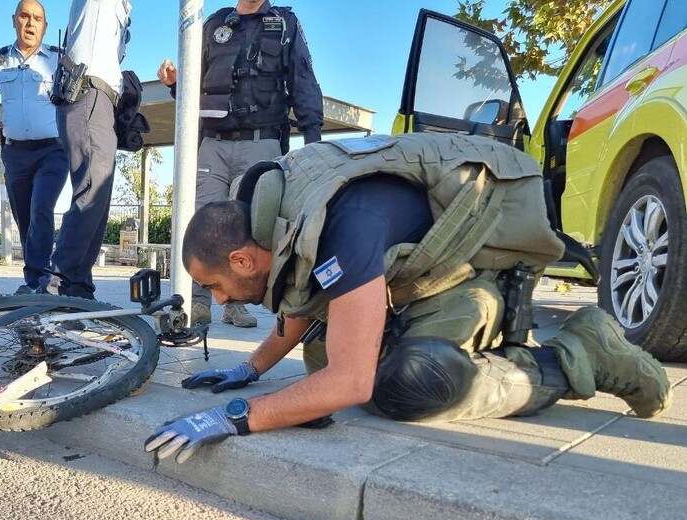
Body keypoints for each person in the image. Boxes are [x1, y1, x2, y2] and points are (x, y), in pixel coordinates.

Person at [144, 133, 672, 464]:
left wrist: (236, 415)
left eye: (212, 285)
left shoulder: (341, 224)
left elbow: (350, 383)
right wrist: (252, 369)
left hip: (475, 281)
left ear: (241, 259)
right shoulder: (280, 210)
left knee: (410, 383)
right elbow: (306, 296)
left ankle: (579, 353)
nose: (213, 296)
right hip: (419, 280)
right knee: (322, 357)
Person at [157, 0, 323, 328]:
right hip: (212, 144)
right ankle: (196, 298)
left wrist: (313, 142)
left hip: (261, 141)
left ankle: (236, 302)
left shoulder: (285, 22)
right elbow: (195, 86)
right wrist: (176, 84)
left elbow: (303, 79)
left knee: (249, 227)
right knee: (199, 219)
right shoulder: (214, 24)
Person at [0, 0, 68, 295]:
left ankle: (41, 278)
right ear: (14, 20)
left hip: (53, 150)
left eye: (37, 18)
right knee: (24, 216)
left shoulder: (58, 59)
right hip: (14, 153)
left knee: (41, 208)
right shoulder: (0, 60)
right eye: (25, 16)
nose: (30, 23)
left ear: (45, 26)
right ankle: (36, 279)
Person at [39, 0, 133, 299]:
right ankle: (57, 286)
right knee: (93, 190)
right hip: (88, 92)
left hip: (99, 100)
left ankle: (77, 289)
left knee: (98, 196)